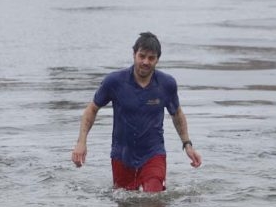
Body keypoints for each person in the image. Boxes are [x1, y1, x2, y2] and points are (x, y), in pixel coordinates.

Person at [71, 32, 202, 192]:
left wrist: (187, 144)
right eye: (142, 56)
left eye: (151, 58)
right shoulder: (114, 82)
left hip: (154, 154)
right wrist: (81, 142)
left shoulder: (166, 84)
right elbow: (91, 109)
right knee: (123, 206)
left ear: (157, 60)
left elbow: (177, 114)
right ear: (134, 54)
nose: (145, 62)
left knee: (153, 200)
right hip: (122, 155)